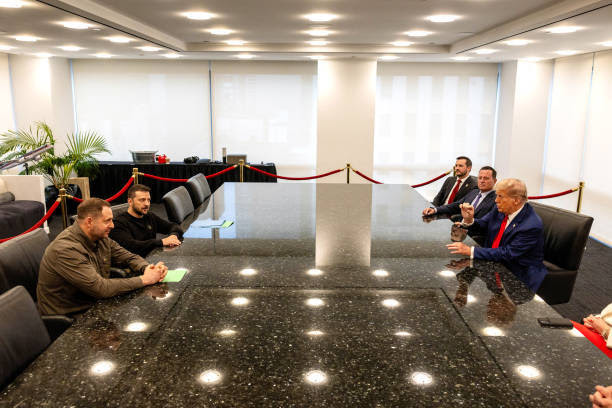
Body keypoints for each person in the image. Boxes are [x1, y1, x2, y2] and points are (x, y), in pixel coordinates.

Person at [37, 198, 168, 316]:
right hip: (71, 316)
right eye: (107, 221)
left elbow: (128, 257)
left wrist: (147, 268)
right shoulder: (66, 249)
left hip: (93, 302)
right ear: (89, 222)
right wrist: (145, 279)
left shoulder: (100, 236)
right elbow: (100, 288)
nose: (112, 225)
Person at [446, 178, 547, 292]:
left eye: (500, 196)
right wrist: (469, 220)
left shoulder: (531, 225)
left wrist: (471, 251)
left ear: (516, 200)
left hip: (518, 276)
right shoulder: (500, 209)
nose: (496, 200)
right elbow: (484, 224)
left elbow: (508, 253)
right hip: (493, 265)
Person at [109, 184, 183, 257]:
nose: (147, 204)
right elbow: (131, 246)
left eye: (148, 200)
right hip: (134, 265)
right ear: (130, 201)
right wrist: (161, 242)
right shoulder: (119, 223)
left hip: (153, 258)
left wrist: (173, 236)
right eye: (142, 200)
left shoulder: (150, 216)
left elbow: (174, 226)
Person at [423, 166, 497, 219]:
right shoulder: (474, 192)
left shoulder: (496, 199)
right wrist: (435, 209)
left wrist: (466, 223)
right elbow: (455, 205)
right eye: (480, 178)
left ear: (495, 181)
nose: (482, 181)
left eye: (486, 178)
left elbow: (486, 223)